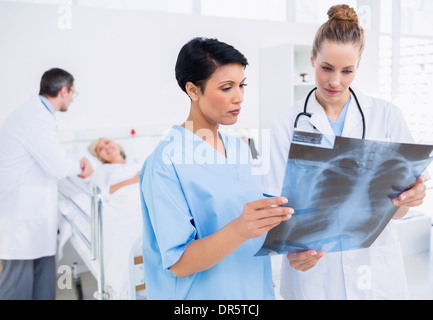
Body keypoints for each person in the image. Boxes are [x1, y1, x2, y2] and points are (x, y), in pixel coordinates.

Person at [262, 5, 427, 300]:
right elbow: (275, 210)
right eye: (326, 68)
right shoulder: (287, 124)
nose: (335, 81)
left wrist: (410, 199)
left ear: (357, 67)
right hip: (314, 278)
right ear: (312, 59)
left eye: (347, 71)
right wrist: (293, 251)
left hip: (376, 272)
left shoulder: (386, 117)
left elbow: (401, 210)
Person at [139, 37, 300, 299]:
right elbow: (179, 263)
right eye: (226, 88)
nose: (239, 97)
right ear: (193, 90)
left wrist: (296, 237)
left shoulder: (238, 149)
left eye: (242, 85)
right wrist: (240, 229)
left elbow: (252, 227)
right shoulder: (165, 162)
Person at [0, 68, 94, 300]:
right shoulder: (35, 118)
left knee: (42, 287)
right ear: (63, 91)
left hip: (33, 219)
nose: (72, 98)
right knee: (17, 290)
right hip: (20, 222)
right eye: (73, 93)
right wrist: (81, 164)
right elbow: (59, 166)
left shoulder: (36, 115)